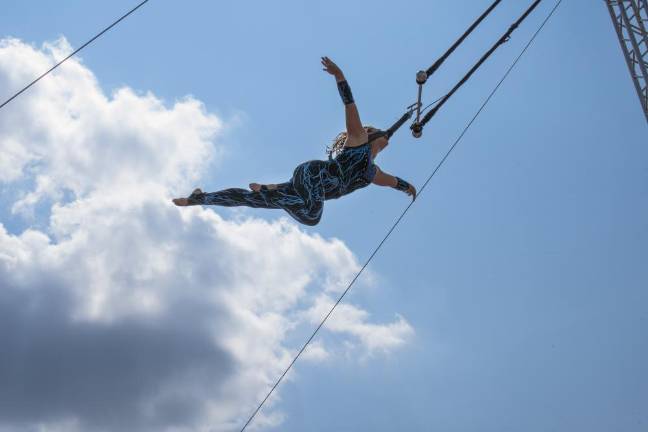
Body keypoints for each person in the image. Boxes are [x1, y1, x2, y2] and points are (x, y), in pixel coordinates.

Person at [173, 57, 416, 226]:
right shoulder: (359, 139)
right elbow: (349, 103)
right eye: (384, 134)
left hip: (304, 189)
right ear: (372, 135)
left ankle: (200, 198)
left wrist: (409, 189)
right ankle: (272, 191)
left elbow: (393, 182)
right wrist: (339, 75)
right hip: (312, 175)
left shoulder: (373, 172)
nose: (388, 137)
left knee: (252, 201)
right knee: (312, 216)